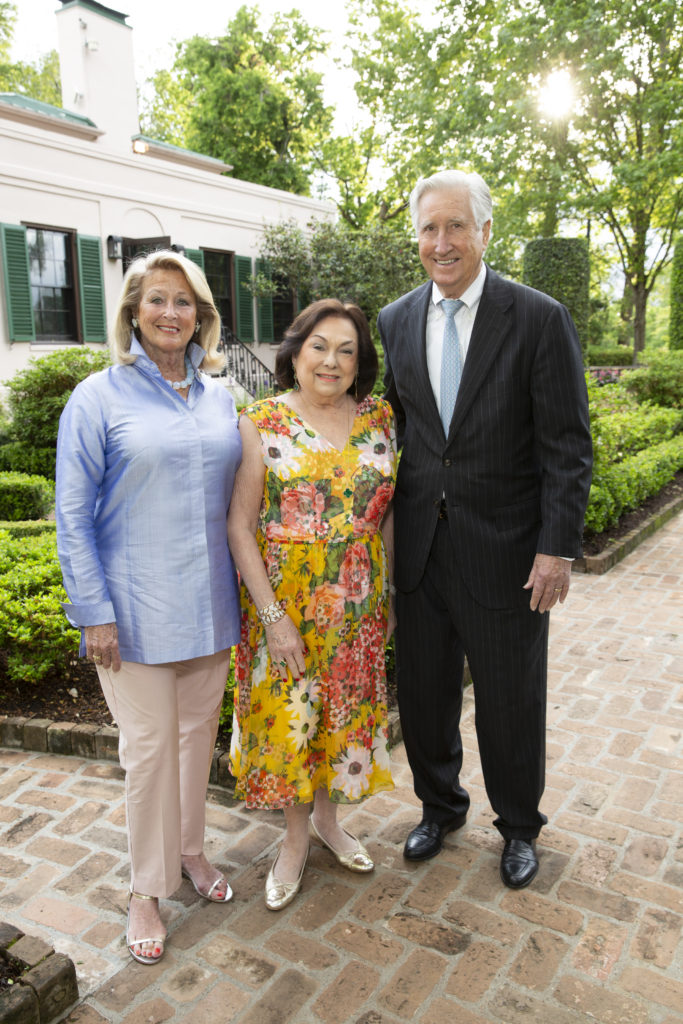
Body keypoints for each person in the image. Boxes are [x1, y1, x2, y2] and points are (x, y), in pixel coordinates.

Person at [378, 170, 592, 888]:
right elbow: (400, 432)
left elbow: (565, 445)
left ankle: (518, 826)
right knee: (425, 695)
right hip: (419, 553)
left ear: (484, 231)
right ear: (417, 238)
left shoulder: (536, 318)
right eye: (429, 229)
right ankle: (439, 808)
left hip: (506, 554)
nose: (441, 243)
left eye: (455, 227)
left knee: (509, 699)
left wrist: (556, 548)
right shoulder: (394, 320)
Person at [56, 250, 242, 964]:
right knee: (149, 752)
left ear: (202, 315)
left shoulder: (222, 398)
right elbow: (72, 516)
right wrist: (93, 612)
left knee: (197, 742)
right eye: (157, 300)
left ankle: (191, 854)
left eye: (185, 301)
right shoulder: (97, 397)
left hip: (209, 608)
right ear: (134, 311)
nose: (171, 314)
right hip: (131, 613)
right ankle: (144, 888)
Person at [227, 299, 396, 910]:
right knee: (293, 722)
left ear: (360, 364)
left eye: (347, 350)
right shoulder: (261, 422)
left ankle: (329, 822)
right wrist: (273, 619)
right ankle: (294, 842)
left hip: (358, 609)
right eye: (320, 346)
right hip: (288, 610)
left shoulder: (379, 418)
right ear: (295, 352)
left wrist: (392, 592)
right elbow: (240, 528)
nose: (332, 360)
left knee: (341, 718)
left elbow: (387, 516)